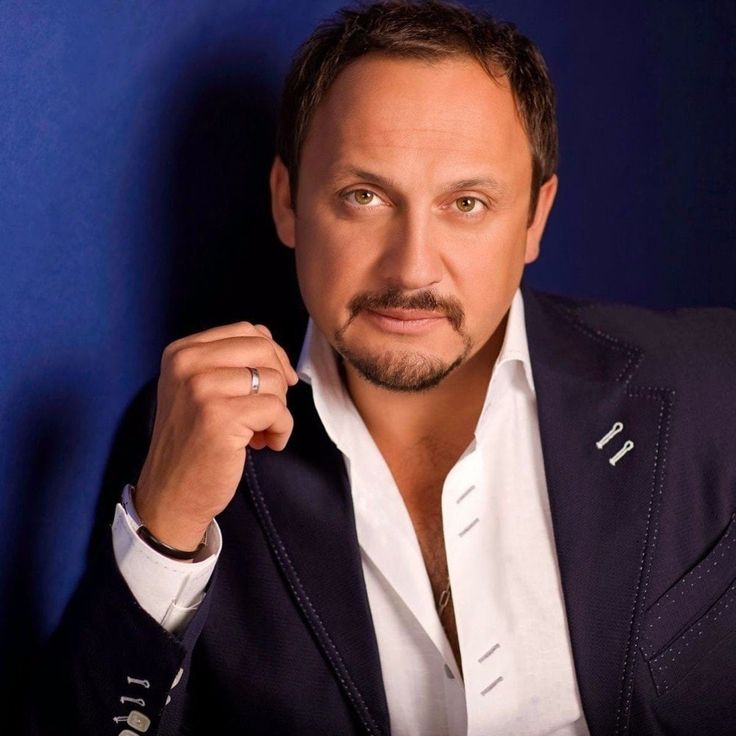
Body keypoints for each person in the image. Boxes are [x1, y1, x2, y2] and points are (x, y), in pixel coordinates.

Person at [29, 1, 736, 735]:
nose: (412, 268)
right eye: (363, 197)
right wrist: (164, 541)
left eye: (467, 203)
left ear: (534, 218)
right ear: (287, 203)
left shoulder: (714, 389)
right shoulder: (184, 431)